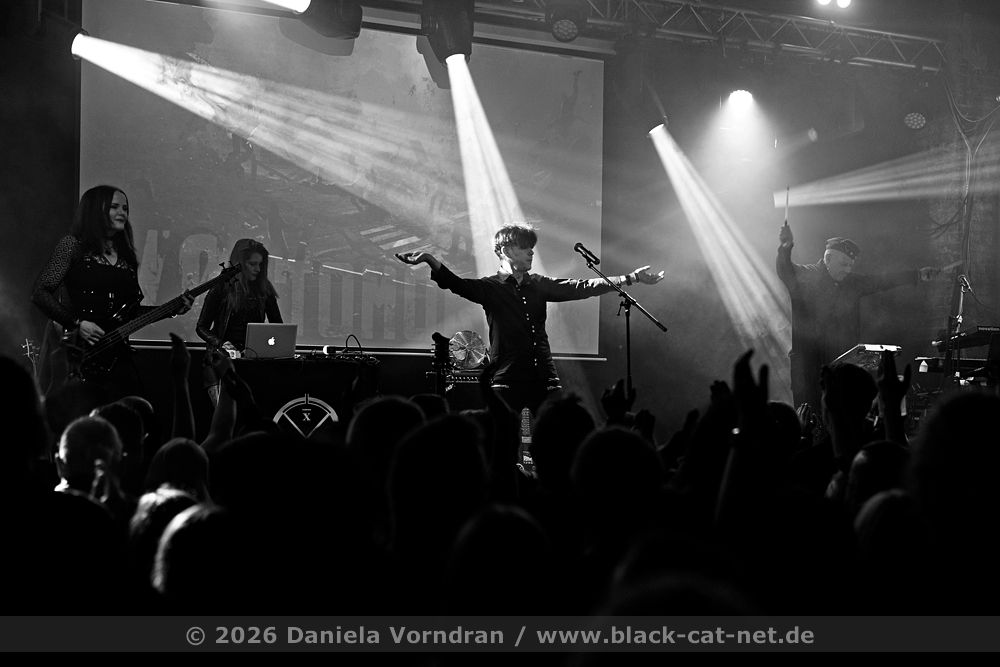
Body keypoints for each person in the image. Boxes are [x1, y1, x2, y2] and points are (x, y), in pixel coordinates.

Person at [396, 224, 664, 414]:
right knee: (511, 444)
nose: (532, 253)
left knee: (551, 442)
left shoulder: (539, 284)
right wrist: (430, 260)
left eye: (532, 248)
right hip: (507, 380)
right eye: (525, 248)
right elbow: (457, 284)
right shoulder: (490, 288)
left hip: (544, 378)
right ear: (507, 250)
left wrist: (631, 278)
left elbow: (580, 286)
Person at [32, 185, 192, 394]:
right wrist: (76, 324)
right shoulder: (72, 246)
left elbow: (130, 313)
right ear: (95, 210)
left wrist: (171, 309)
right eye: (114, 207)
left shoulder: (126, 257)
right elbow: (40, 292)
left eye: (125, 208)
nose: (122, 213)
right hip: (77, 354)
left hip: (116, 356)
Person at [776, 221, 938, 411]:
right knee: (811, 418)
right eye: (844, 264)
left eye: (851, 265)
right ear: (828, 258)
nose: (848, 270)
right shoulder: (806, 276)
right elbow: (785, 269)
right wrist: (785, 248)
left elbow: (881, 281)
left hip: (839, 368)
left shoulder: (852, 283)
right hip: (808, 370)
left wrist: (916, 275)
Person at [195, 238, 282, 353]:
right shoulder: (221, 286)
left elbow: (278, 327)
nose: (258, 269)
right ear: (239, 264)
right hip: (223, 357)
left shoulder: (264, 289)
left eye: (260, 264)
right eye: (252, 264)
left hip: (252, 355)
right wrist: (220, 344)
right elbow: (201, 327)